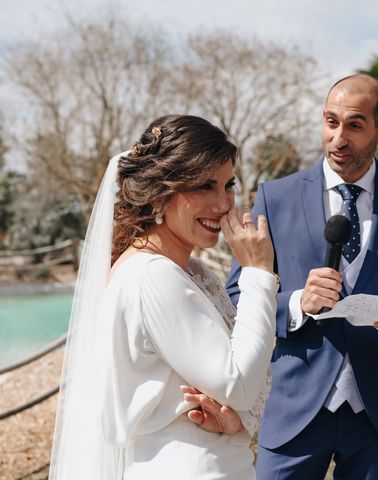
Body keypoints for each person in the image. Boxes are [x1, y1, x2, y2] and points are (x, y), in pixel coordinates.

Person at [223, 74, 378, 479]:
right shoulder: (276, 197)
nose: (338, 138)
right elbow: (237, 295)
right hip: (294, 411)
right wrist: (298, 303)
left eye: (354, 125)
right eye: (330, 122)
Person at [49, 115, 279, 480]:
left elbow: (242, 384)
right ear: (161, 191)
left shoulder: (195, 273)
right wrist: (258, 273)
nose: (223, 204)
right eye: (205, 186)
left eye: (228, 185)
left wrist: (237, 423)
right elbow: (239, 383)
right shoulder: (152, 275)